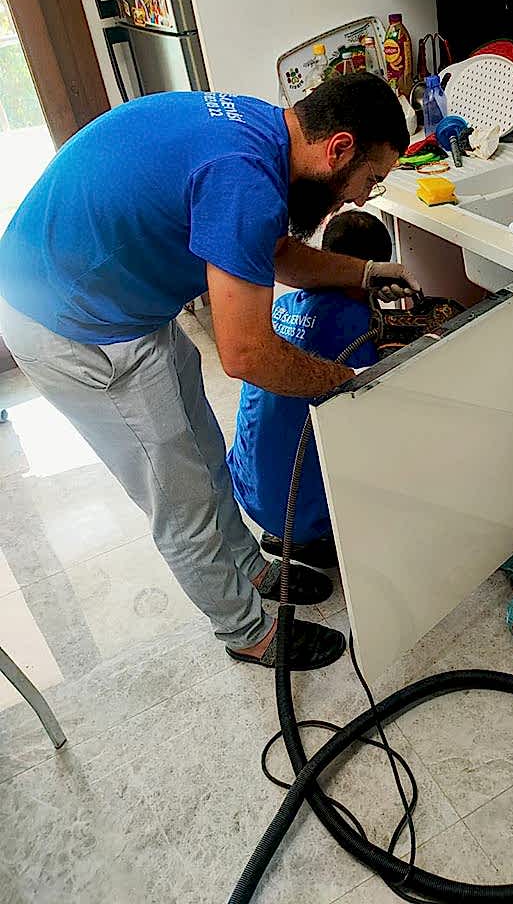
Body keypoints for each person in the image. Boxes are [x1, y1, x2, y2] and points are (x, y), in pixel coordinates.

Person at [0, 73, 420, 672]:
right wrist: (349, 385)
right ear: (339, 149)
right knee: (180, 496)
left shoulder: (263, 135)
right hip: (74, 327)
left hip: (119, 300)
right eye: (370, 179)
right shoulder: (244, 180)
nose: (360, 199)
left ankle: (251, 568)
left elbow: (273, 251)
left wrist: (365, 273)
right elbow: (246, 353)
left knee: (203, 452)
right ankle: (247, 632)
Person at [228, 210, 392, 571]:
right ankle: (309, 537)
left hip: (248, 491)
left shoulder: (280, 307)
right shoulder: (359, 325)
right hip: (300, 518)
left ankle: (286, 530)